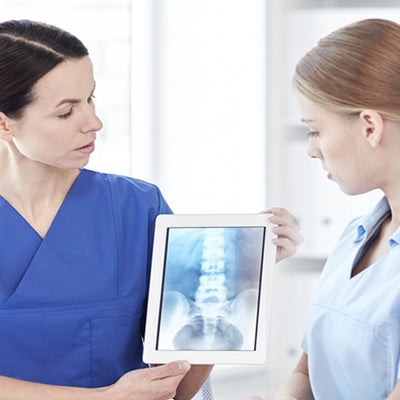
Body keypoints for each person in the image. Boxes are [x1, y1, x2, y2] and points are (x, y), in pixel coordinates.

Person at [0, 19, 303, 400]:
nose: (94, 122)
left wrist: (241, 271)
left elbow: (180, 388)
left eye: (91, 99)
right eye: (66, 112)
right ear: (5, 124)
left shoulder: (136, 207)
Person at [269, 18, 400, 400]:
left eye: (315, 130)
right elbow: (308, 372)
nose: (312, 149)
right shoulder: (355, 237)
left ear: (370, 126)